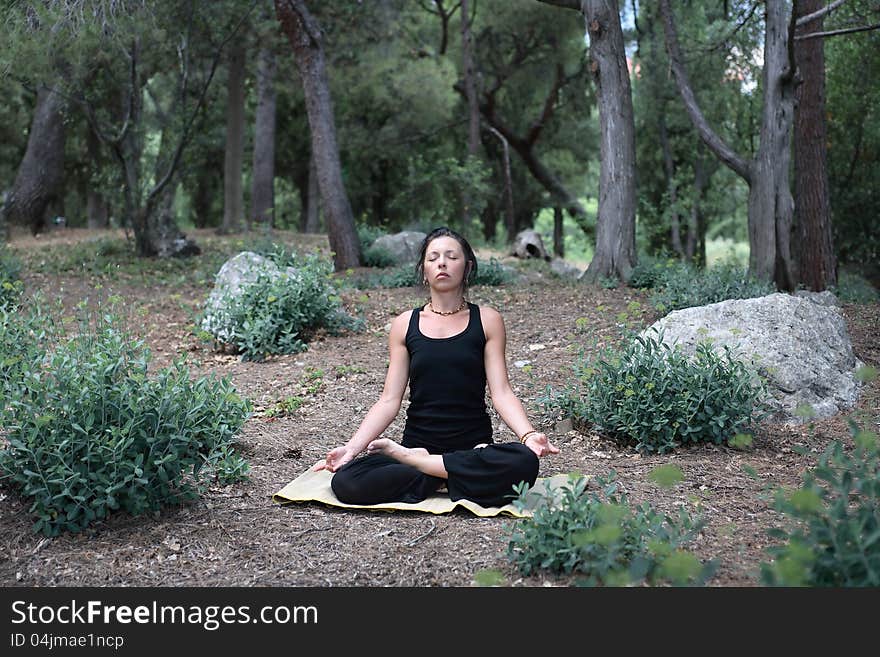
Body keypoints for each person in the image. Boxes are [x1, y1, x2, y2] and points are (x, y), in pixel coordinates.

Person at [313, 226, 559, 507]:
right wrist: (352, 448)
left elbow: (501, 393)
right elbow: (389, 399)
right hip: (418, 443)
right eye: (433, 258)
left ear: (467, 267)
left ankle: (427, 468)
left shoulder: (488, 320)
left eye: (451, 256)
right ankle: (446, 472)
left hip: (473, 447)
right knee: (347, 482)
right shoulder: (405, 324)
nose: (441, 263)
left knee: (524, 463)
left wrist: (528, 436)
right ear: (423, 269)